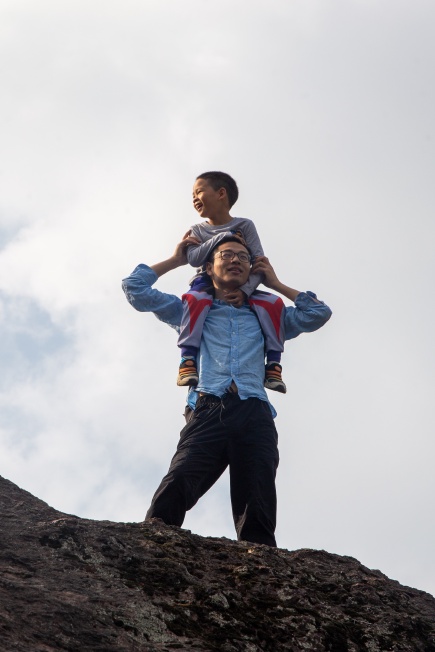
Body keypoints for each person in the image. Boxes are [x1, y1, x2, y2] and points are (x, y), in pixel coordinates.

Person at [122, 235, 332, 547]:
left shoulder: (268, 313)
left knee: (257, 493)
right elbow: (135, 289)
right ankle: (152, 547)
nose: (236, 261)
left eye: (243, 258)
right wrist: (176, 260)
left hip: (255, 411)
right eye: (227, 255)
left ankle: (261, 564)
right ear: (208, 266)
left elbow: (318, 313)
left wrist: (275, 283)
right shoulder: (190, 309)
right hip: (209, 404)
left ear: (252, 270)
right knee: (181, 478)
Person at [178, 171, 287, 394]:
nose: (194, 198)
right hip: (205, 284)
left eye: (199, 191)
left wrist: (246, 292)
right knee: (193, 301)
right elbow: (194, 259)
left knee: (273, 306)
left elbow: (258, 263)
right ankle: (187, 359)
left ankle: (274, 364)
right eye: (192, 195)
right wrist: (223, 236)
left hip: (243, 286)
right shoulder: (198, 229)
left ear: (221, 193)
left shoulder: (245, 225)